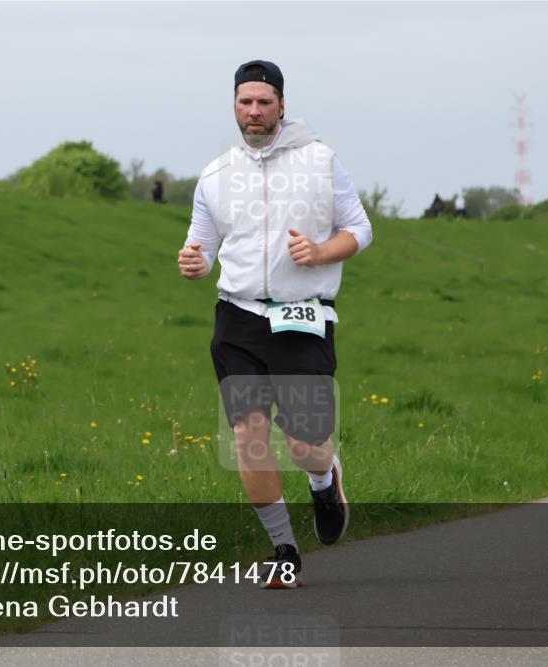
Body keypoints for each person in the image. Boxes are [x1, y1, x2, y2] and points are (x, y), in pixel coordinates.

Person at [177, 60, 372, 589]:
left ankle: (323, 477)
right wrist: (195, 262)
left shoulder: (321, 161)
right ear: (234, 105)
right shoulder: (216, 176)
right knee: (249, 437)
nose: (255, 111)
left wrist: (322, 250)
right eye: (246, 102)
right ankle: (284, 549)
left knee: (305, 440)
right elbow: (204, 245)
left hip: (303, 315)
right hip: (237, 317)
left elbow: (359, 228)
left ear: (282, 105)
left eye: (265, 102)